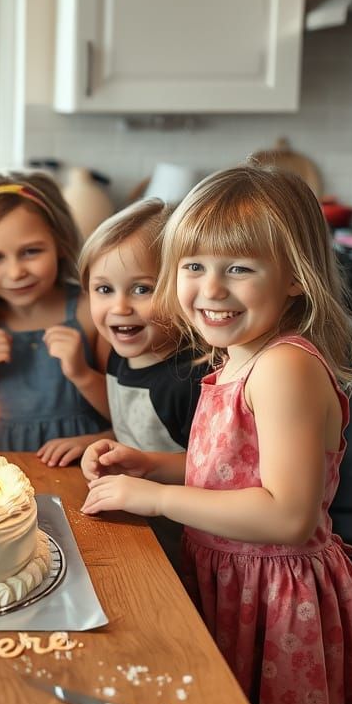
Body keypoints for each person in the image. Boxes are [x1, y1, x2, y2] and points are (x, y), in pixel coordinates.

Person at [81, 165, 352, 704]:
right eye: (193, 266)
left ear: (296, 280)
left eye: (240, 268)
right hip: (230, 581)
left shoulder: (284, 368)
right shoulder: (237, 357)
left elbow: (284, 513)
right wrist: (156, 464)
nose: (211, 289)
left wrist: (154, 497)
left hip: (274, 599)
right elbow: (234, 472)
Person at [78, 198, 207, 569]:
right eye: (104, 290)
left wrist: (146, 465)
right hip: (138, 531)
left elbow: (213, 468)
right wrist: (96, 442)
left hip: (185, 545)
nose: (120, 307)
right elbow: (136, 429)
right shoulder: (120, 355)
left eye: (141, 289)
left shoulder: (191, 376)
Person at [0, 170, 109, 465]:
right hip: (5, 478)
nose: (15, 272)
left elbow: (127, 418)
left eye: (31, 251)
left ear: (60, 244)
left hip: (84, 474)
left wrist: (81, 375)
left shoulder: (90, 311)